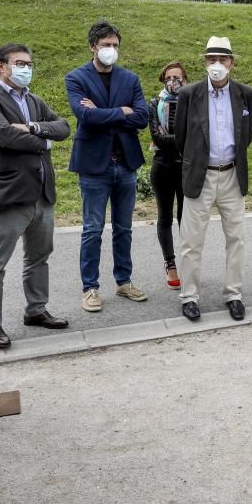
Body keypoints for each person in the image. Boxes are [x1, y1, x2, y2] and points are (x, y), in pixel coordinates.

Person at [0, 43, 71, 349]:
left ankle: (36, 311)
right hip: (8, 195)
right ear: (2, 66)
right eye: (20, 63)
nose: (27, 68)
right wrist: (44, 141)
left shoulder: (34, 101)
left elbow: (63, 127)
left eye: (29, 63)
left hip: (41, 195)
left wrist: (32, 127)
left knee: (39, 258)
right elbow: (5, 135)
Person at [65, 21, 150, 312]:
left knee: (124, 228)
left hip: (125, 164)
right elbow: (84, 116)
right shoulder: (76, 78)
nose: (110, 50)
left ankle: (124, 281)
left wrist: (104, 113)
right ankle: (90, 288)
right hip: (94, 166)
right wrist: (121, 111)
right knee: (92, 229)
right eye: (105, 45)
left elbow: (142, 117)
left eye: (115, 45)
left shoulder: (130, 78)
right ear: (93, 47)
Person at [174, 37, 252, 322]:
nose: (217, 65)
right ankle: (189, 296)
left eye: (222, 60)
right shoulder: (189, 94)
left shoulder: (246, 94)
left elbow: (247, 134)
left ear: (232, 63)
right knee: (191, 241)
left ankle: (234, 294)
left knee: (237, 238)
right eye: (211, 60)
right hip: (201, 175)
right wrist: (197, 162)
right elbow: (181, 138)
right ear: (205, 63)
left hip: (232, 175)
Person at [147, 60, 187, 291]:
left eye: (177, 77)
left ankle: (189, 263)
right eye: (168, 78)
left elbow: (195, 135)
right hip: (162, 166)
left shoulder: (191, 102)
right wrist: (181, 139)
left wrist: (175, 138)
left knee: (186, 218)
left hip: (186, 167)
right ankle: (170, 264)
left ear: (185, 79)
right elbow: (158, 138)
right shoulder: (155, 103)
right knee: (165, 217)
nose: (173, 82)